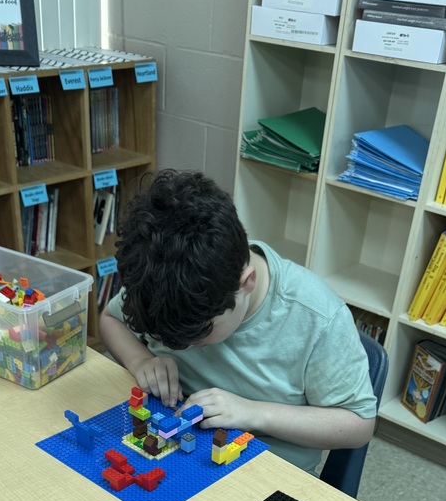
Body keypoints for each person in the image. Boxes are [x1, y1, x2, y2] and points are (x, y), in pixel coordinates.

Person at [99, 169, 377, 475]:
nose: (183, 347)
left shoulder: (317, 317)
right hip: (175, 452)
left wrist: (252, 413)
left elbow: (359, 424)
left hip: (264, 471)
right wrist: (140, 360)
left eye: (200, 335)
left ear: (247, 283)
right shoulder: (163, 274)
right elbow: (111, 319)